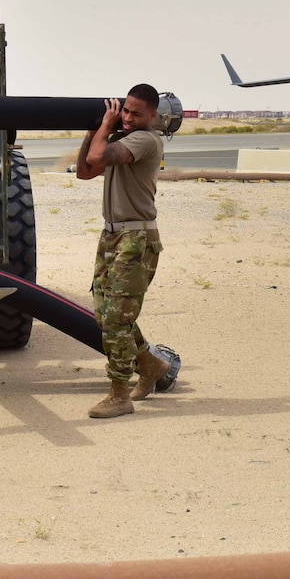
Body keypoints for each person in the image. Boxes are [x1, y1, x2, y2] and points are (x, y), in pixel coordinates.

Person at [75, 84, 174, 419]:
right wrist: (93, 129)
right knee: (107, 317)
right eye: (125, 110)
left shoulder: (145, 140)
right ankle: (150, 365)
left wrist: (104, 126)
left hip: (136, 239)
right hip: (112, 236)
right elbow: (85, 171)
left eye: (136, 113)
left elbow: (97, 158)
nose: (128, 118)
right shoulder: (120, 139)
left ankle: (119, 395)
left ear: (152, 116)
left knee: (117, 320)